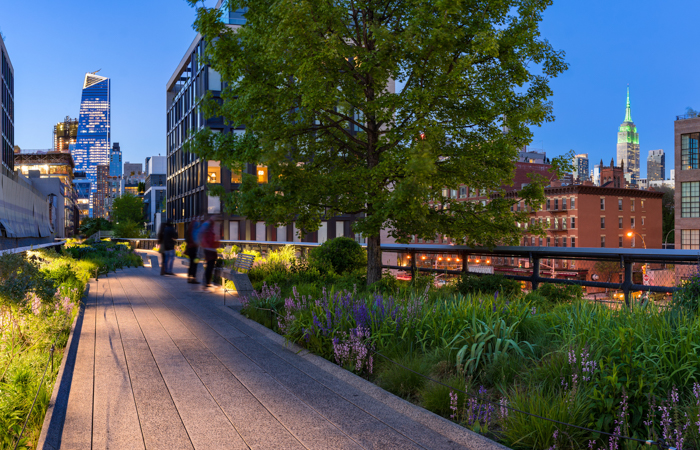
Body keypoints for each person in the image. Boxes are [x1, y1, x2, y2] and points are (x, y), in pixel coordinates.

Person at [199, 218, 220, 291]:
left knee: (209, 266)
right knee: (210, 266)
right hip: (210, 250)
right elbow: (211, 241)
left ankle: (206, 282)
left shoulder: (207, 230)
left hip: (208, 250)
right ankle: (207, 282)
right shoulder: (210, 230)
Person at [185, 219, 201, 284]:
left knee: (191, 263)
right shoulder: (195, 231)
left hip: (189, 248)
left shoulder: (189, 230)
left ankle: (189, 278)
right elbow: (197, 240)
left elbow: (186, 239)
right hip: (194, 249)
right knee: (194, 263)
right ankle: (193, 278)